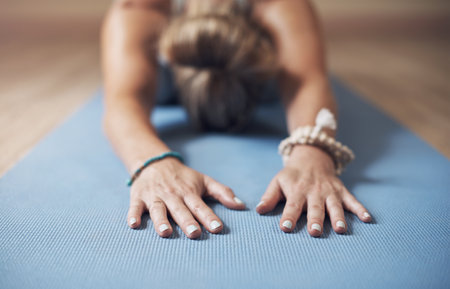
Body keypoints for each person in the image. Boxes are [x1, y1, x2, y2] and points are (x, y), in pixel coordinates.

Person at [101, 0, 372, 239]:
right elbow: (123, 103)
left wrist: (311, 155)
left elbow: (308, 82)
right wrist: (153, 165)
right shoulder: (140, 9)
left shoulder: (279, 6)